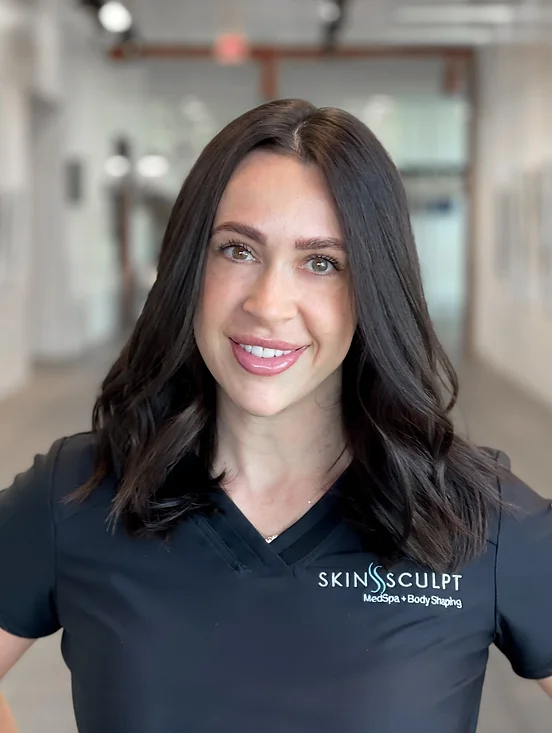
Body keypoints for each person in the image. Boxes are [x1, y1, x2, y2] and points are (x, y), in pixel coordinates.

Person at [0, 98, 551, 733]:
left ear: (373, 289)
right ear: (188, 267)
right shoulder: (81, 494)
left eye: (322, 263)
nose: (269, 302)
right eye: (237, 250)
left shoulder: (472, 517)